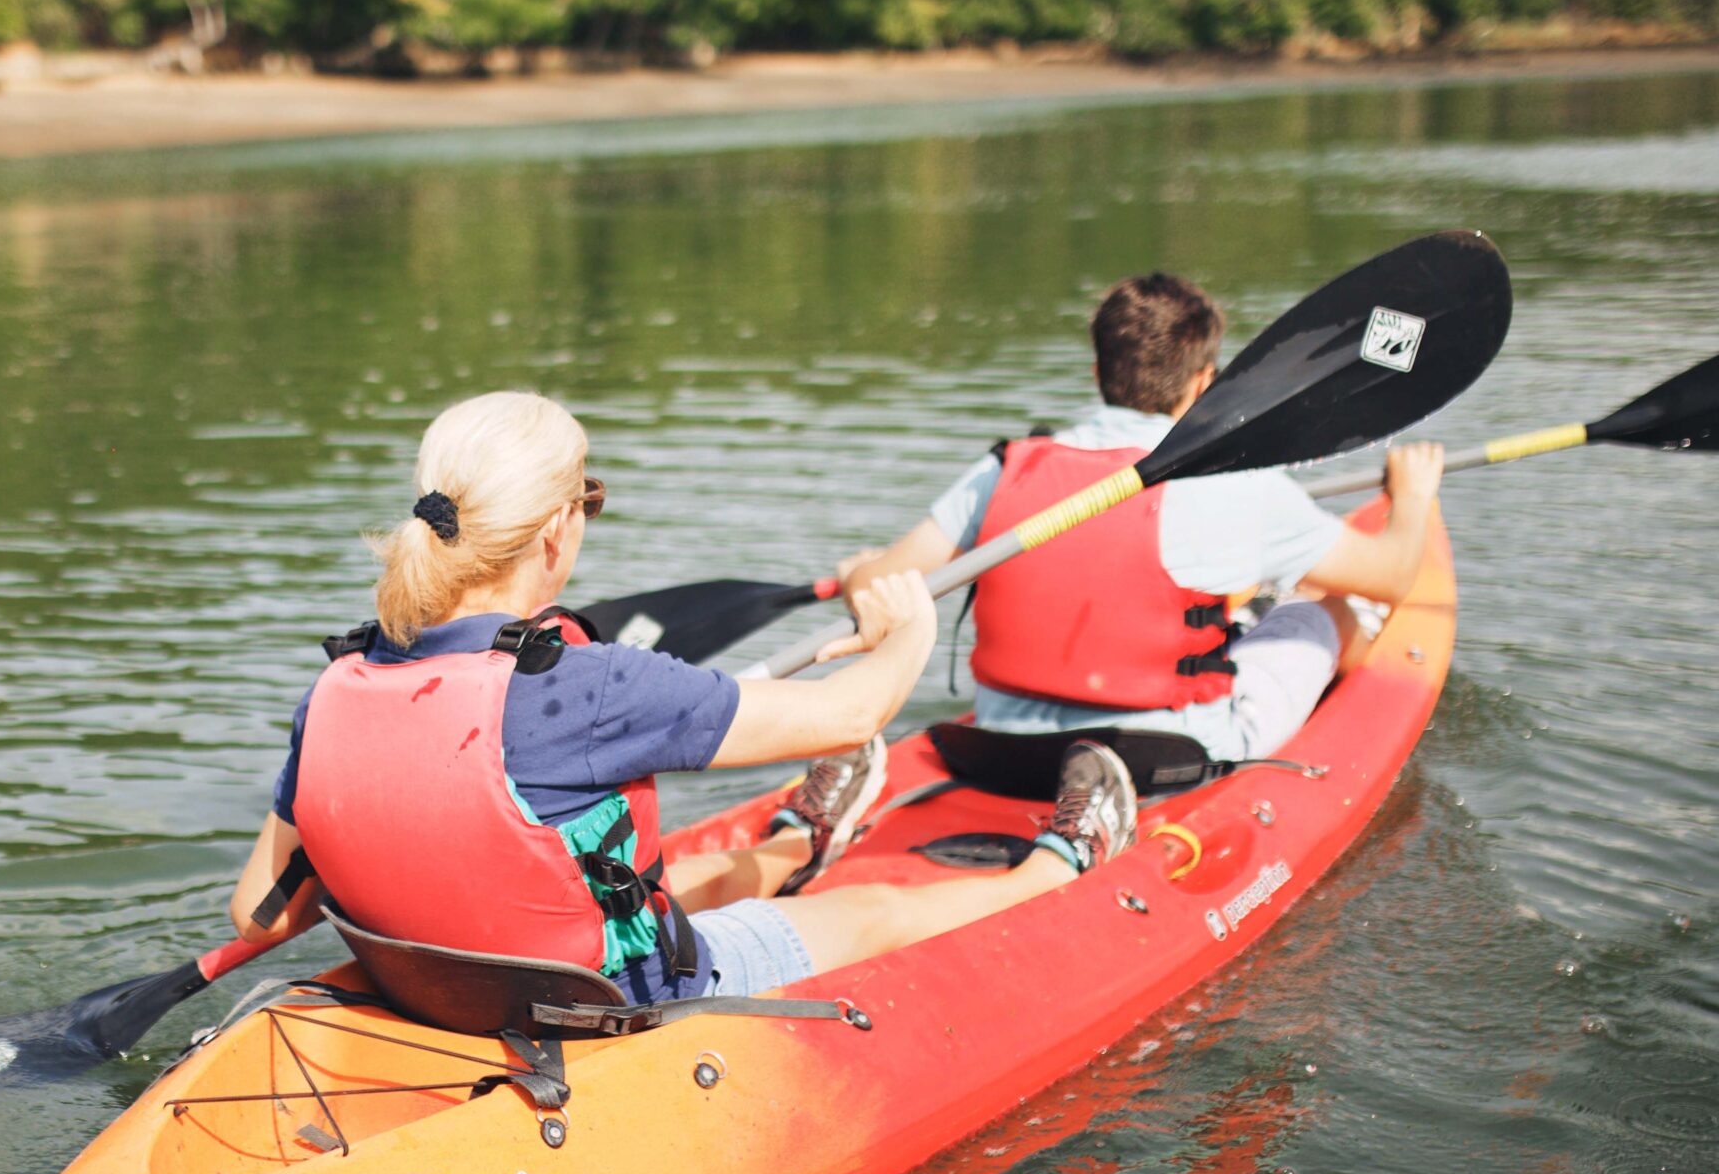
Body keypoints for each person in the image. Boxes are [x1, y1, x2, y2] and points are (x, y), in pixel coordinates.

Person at [228, 390, 1139, 1002]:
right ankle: (1058, 861)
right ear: (555, 530)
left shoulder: (340, 684)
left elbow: (258, 912)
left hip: (450, 989)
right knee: (874, 911)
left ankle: (797, 841)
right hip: (613, 1003)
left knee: (670, 887)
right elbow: (853, 714)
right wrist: (912, 630)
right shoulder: (593, 685)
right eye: (590, 498)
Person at [838, 272, 1446, 769]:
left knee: (1242, 600)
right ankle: (1344, 720)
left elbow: (872, 589)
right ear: (1206, 382)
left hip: (1002, 747)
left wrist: (858, 572)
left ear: (1099, 373)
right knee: (1327, 610)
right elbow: (1392, 575)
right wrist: (1414, 496)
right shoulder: (1237, 483)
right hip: (1165, 756)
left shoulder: (1005, 470)